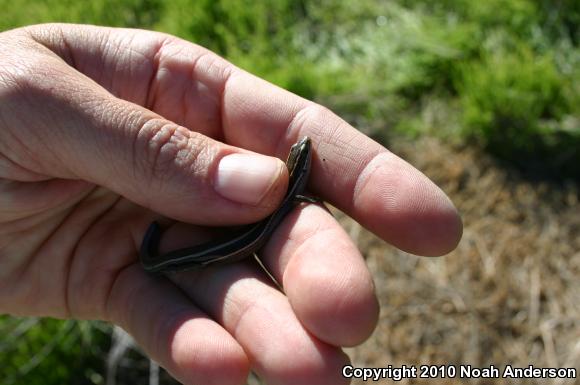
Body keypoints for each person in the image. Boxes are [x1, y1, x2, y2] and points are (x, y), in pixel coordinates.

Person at [0, 24, 462, 385]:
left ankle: (162, 251)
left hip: (188, 249)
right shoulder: (286, 193)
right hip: (192, 247)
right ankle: (162, 251)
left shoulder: (290, 195)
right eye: (301, 159)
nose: (301, 156)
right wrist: (187, 172)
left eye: (298, 160)